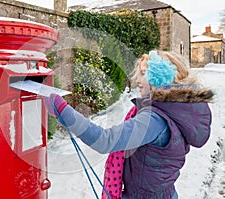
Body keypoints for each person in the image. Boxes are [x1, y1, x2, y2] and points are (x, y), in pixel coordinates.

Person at [44, 50, 214, 199]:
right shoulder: (175, 111)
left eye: (143, 73)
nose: (137, 80)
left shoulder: (153, 119)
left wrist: (63, 110)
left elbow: (105, 140)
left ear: (161, 76)